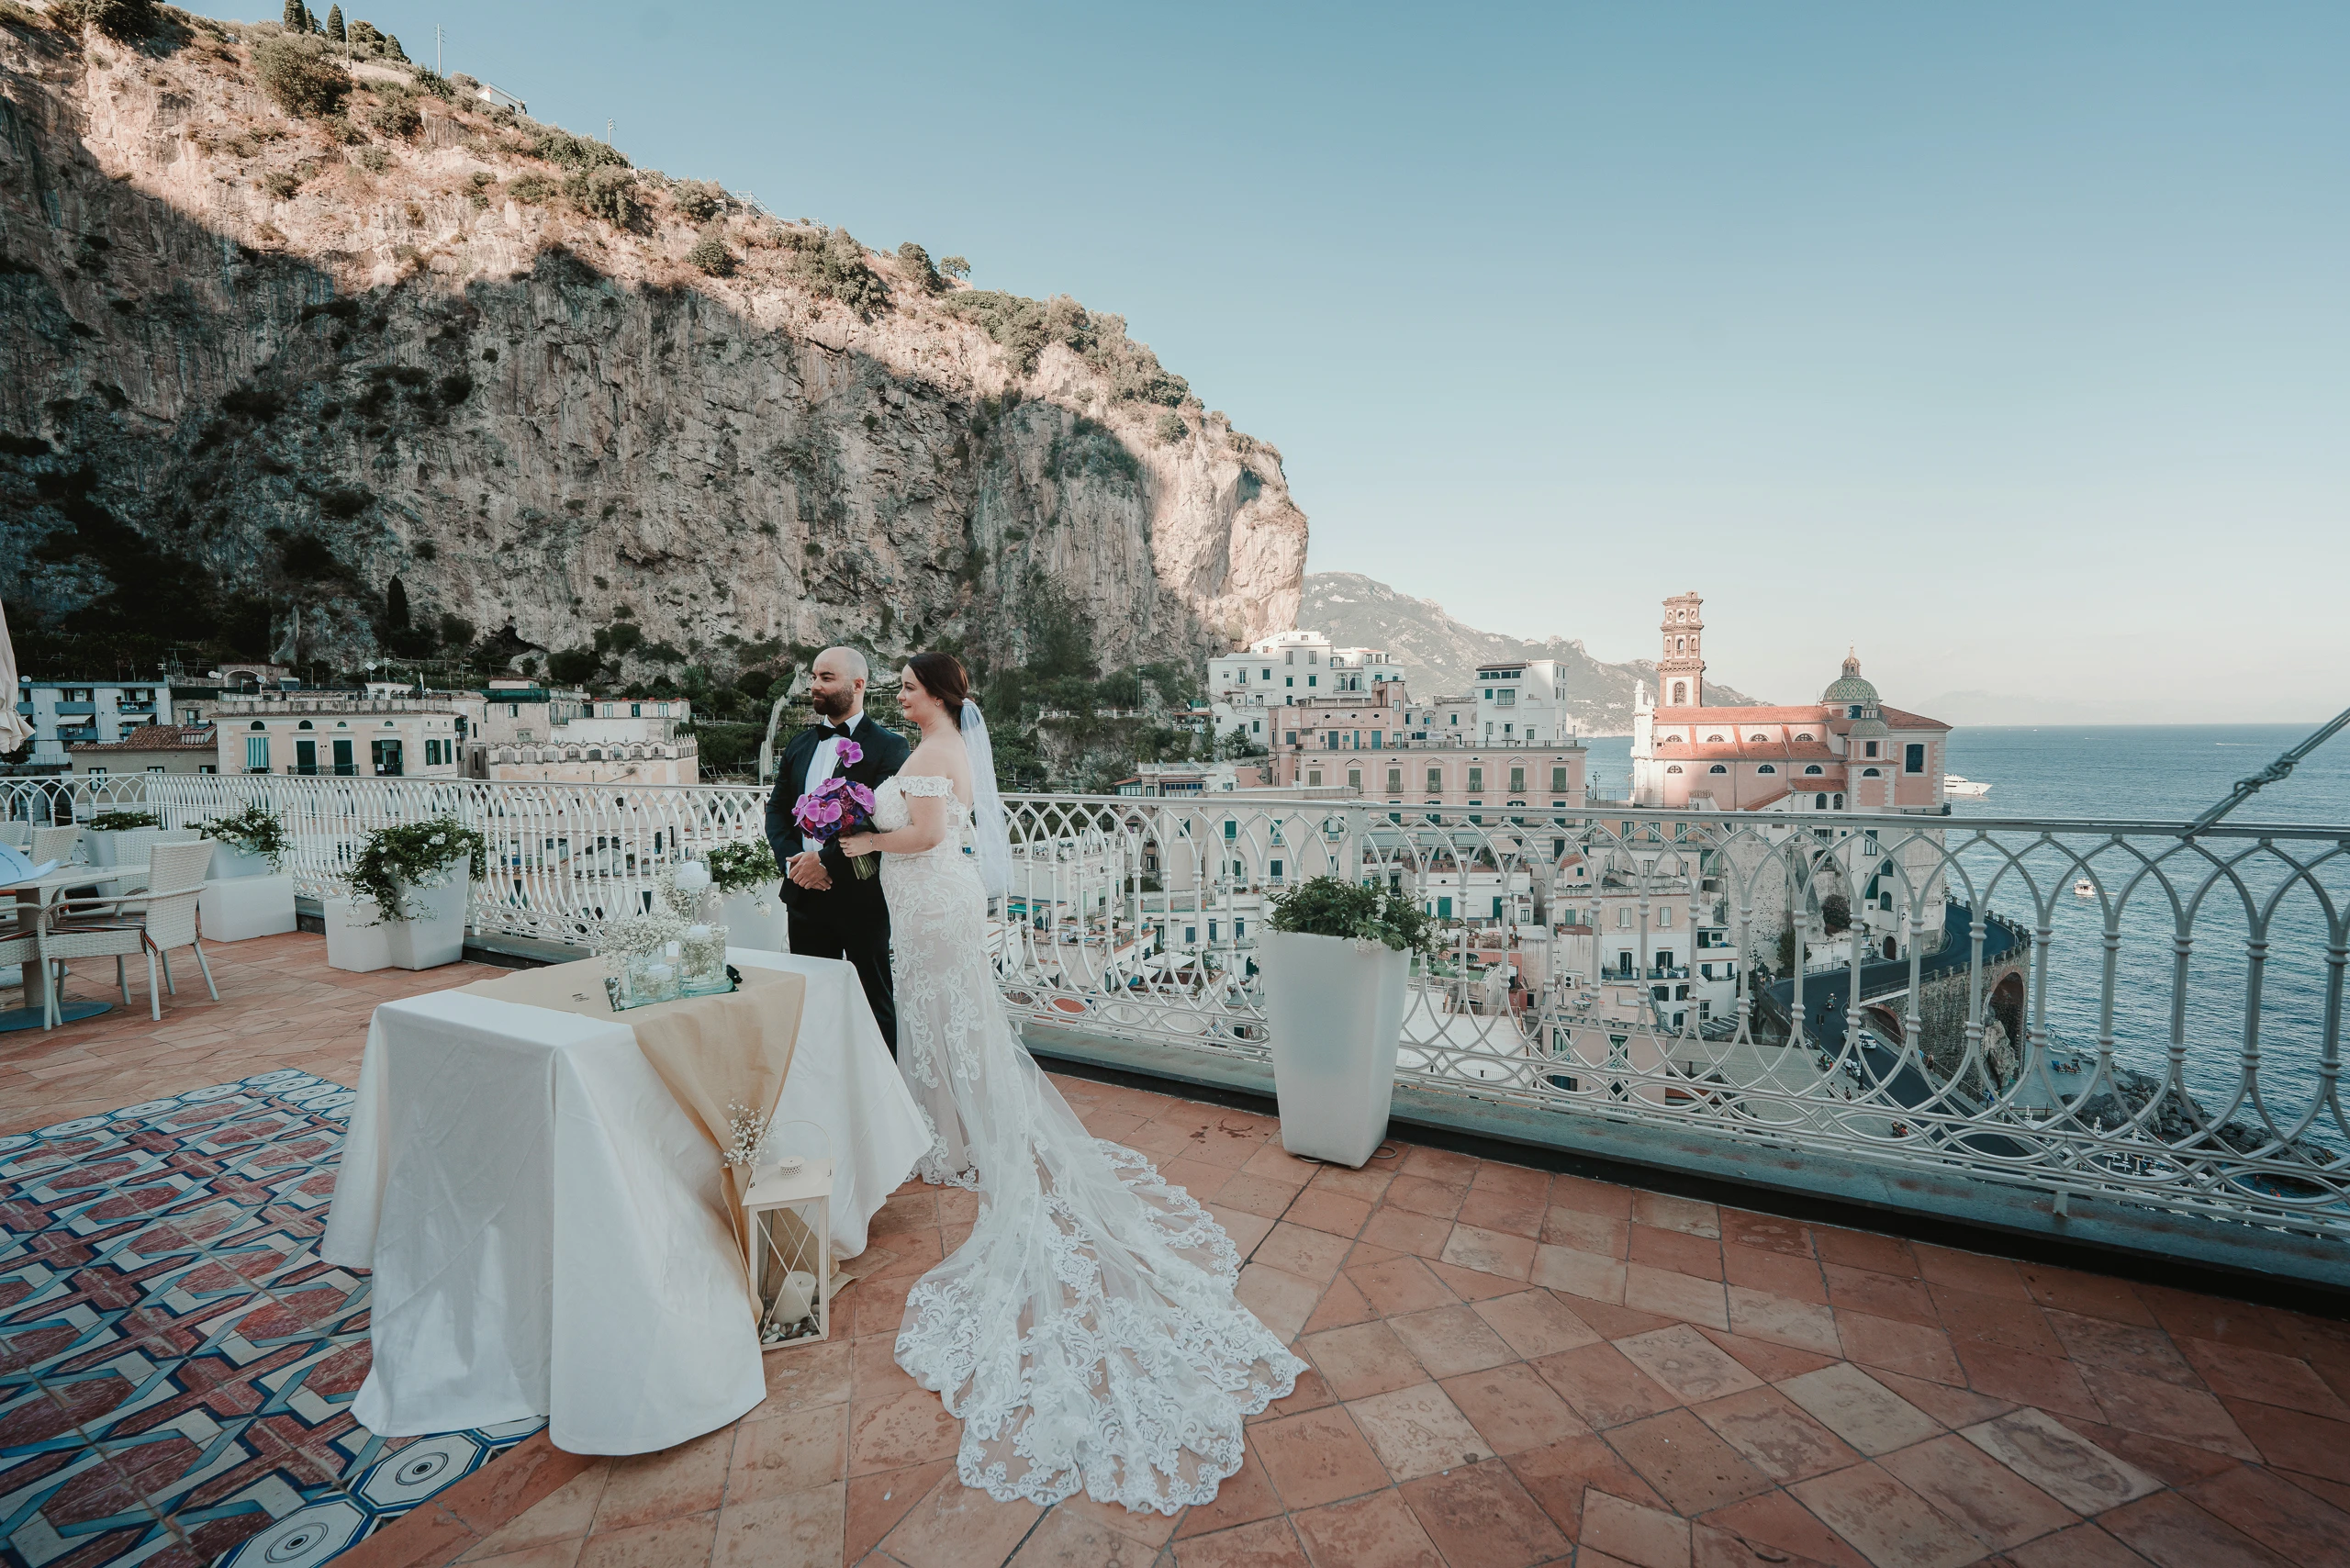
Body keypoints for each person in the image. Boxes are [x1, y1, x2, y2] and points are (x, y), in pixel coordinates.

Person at [834, 653, 1302, 1515]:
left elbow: (928, 836)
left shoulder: (934, 752)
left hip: (933, 900)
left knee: (951, 1023)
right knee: (945, 1025)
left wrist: (862, 839)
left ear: (938, 696)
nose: (899, 694)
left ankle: (958, 1136)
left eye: (907, 685)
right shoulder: (936, 747)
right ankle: (952, 1133)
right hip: (928, 904)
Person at [763, 646, 911, 1053]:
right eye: (814, 677)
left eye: (826, 678)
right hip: (804, 892)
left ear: (857, 685)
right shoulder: (799, 744)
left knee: (874, 1001)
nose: (814, 685)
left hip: (861, 895)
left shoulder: (890, 747)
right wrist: (795, 863)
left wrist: (824, 861)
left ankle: (881, 1085)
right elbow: (777, 810)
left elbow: (880, 820)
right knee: (813, 1000)